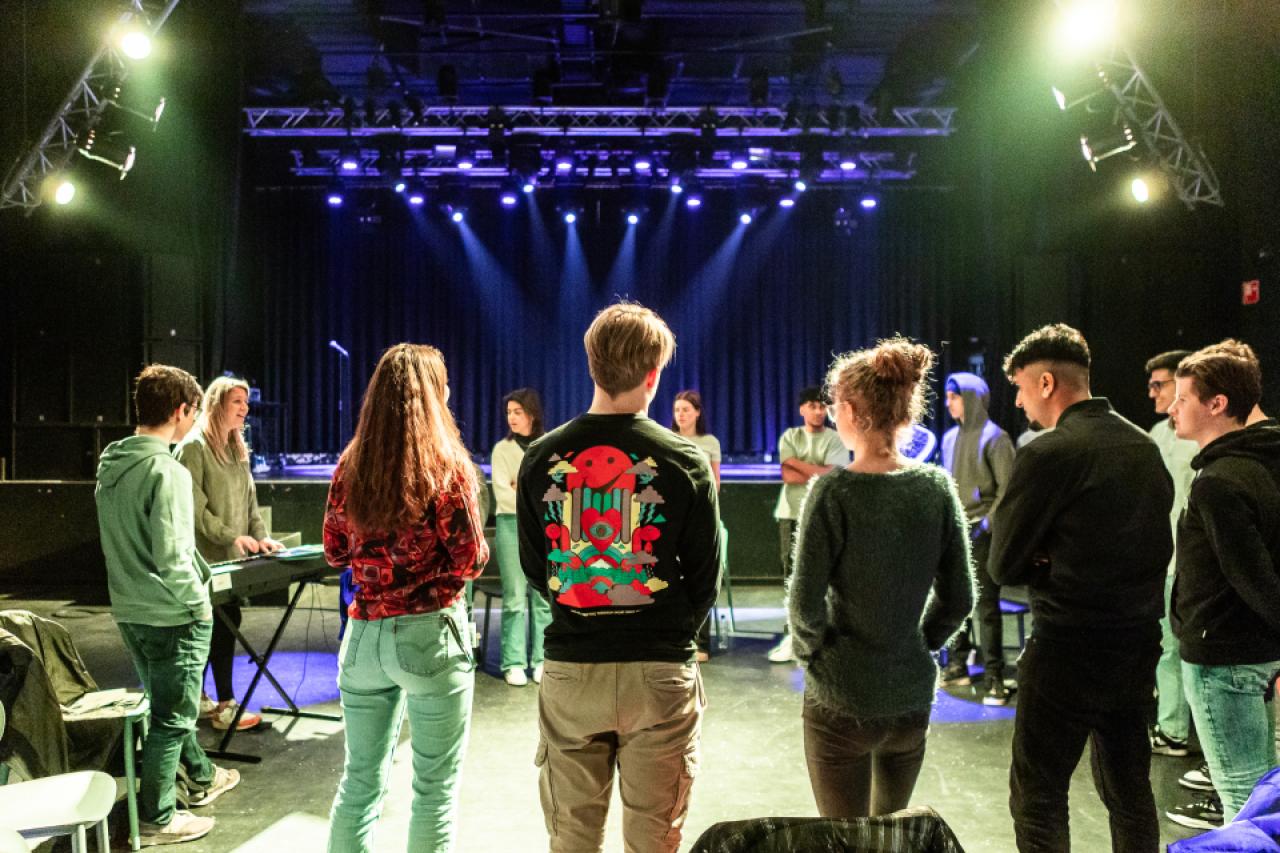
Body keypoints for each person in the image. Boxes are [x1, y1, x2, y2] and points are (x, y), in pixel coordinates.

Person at [517, 302, 721, 853]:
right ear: (653, 375)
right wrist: (664, 628)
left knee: (572, 841)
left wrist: (584, 602)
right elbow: (706, 577)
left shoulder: (540, 457)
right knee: (654, 841)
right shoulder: (685, 460)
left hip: (572, 667)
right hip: (659, 670)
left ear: (591, 365)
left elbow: (537, 569)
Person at [989, 324, 1173, 853]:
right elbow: (1154, 545)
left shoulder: (1048, 454)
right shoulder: (1143, 446)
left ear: (1046, 383)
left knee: (1039, 796)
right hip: (1136, 644)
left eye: (1020, 388)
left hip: (1067, 647)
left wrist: (1046, 559)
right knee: (1129, 791)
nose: (1019, 403)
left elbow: (1003, 564)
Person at [789, 337, 973, 818]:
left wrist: (815, 657)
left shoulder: (833, 492)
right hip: (909, 698)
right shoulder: (936, 489)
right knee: (891, 838)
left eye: (835, 405)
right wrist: (919, 644)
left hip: (841, 698)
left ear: (851, 411)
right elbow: (959, 598)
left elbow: (804, 607)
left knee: (845, 841)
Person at [323, 344, 488, 853]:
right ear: (433, 395)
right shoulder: (447, 467)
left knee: (359, 783)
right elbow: (471, 559)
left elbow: (334, 551)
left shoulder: (349, 467)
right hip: (430, 637)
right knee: (434, 792)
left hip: (363, 638)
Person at [95, 365, 240, 846]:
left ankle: (201, 777)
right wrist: (201, 606)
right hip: (173, 614)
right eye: (193, 412)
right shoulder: (168, 471)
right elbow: (174, 559)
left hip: (130, 610)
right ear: (181, 411)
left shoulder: (111, 466)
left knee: (167, 706)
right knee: (173, 717)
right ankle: (157, 818)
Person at [1165, 340, 1280, 828]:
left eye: (1182, 398)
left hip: (1224, 659)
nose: (1171, 408)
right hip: (1254, 651)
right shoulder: (1262, 461)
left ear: (1217, 404)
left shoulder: (1218, 482)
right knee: (1262, 799)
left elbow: (1252, 576)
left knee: (1243, 807)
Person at [177, 376, 282, 732]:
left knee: (223, 624)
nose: (245, 409)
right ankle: (225, 705)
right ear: (217, 404)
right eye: (237, 401)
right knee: (219, 626)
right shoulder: (194, 448)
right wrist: (232, 536)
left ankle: (201, 698)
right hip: (205, 560)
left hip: (232, 558)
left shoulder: (238, 448)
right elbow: (195, 510)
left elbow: (250, 504)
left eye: (246, 402)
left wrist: (262, 539)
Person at [937, 372, 1016, 705]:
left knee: (985, 605)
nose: (948, 403)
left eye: (954, 397)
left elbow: (1009, 490)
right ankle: (958, 664)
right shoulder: (949, 438)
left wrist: (986, 525)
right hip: (956, 531)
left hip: (983, 531)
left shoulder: (995, 438)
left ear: (970, 398)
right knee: (955, 601)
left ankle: (994, 676)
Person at [1141, 350, 1199, 758]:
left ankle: (1177, 731)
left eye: (1158, 385)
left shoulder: (1197, 435)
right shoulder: (1157, 433)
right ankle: (1172, 726)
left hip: (1187, 561)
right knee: (1165, 648)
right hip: (1160, 559)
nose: (1152, 393)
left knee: (1181, 648)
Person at [769, 386, 849, 663]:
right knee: (791, 574)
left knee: (824, 575)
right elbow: (787, 476)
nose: (818, 411)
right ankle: (792, 635)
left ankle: (821, 635)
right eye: (812, 406)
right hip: (790, 513)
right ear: (802, 409)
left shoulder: (836, 439)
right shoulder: (790, 436)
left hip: (823, 514)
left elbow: (833, 475)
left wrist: (796, 462)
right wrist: (819, 471)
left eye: (822, 406)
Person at [490, 387, 552, 687]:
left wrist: (521, 488)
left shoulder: (547, 445)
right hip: (511, 525)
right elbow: (503, 494)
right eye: (509, 413)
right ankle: (513, 662)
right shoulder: (502, 450)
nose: (512, 418)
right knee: (514, 596)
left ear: (532, 414)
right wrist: (531, 494)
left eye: (518, 412)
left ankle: (542, 660)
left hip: (543, 527)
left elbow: (555, 490)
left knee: (542, 596)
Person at [672, 389, 723, 662]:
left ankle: (701, 643)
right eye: (677, 410)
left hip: (701, 515)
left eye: (686, 410)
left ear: (697, 413)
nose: (680, 415)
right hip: (673, 517)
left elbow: (715, 483)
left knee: (701, 576)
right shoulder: (668, 439)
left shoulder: (710, 442)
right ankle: (675, 637)